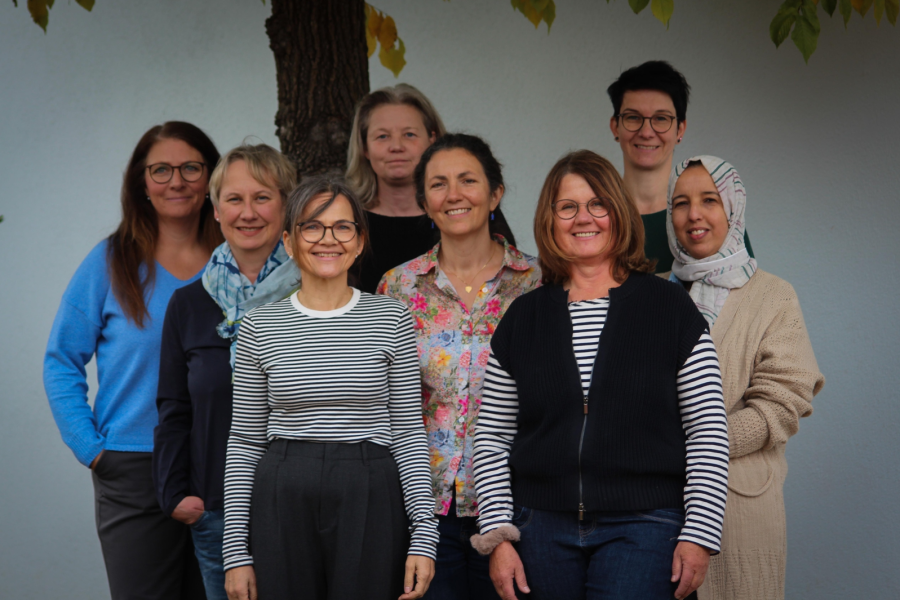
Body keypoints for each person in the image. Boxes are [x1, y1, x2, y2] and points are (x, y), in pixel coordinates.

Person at [471, 150, 731, 600]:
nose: (583, 218)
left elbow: (707, 428)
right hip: (540, 528)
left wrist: (700, 533)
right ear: (550, 221)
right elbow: (492, 436)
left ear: (619, 213)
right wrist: (498, 536)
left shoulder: (670, 308)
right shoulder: (523, 318)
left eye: (598, 204)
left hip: (647, 526)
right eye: (567, 207)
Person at [222, 175, 439, 600]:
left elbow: (409, 433)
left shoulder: (391, 318)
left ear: (359, 242)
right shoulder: (258, 326)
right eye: (312, 227)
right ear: (289, 241)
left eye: (343, 227)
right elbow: (245, 442)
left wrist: (423, 536)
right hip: (283, 487)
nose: (328, 239)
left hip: (369, 486)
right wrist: (235, 552)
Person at [43, 121, 221, 599]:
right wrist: (92, 449)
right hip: (133, 466)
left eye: (191, 167)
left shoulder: (233, 263)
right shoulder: (111, 261)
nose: (176, 181)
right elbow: (61, 360)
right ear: (141, 181)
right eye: (161, 169)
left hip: (221, 461)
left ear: (211, 177)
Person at [378, 133, 541, 600]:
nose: (454, 194)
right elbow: (384, 401)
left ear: (495, 193)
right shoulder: (397, 287)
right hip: (423, 510)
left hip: (518, 504)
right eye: (438, 184)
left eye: (468, 180)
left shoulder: (539, 282)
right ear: (424, 203)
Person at [665, 156, 824, 600]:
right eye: (681, 203)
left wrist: (694, 443)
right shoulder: (649, 292)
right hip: (653, 507)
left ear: (733, 208)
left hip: (738, 506)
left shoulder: (774, 296)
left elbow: (783, 402)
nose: (694, 214)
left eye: (709, 200)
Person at [153, 143, 299, 600]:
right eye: (234, 199)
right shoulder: (188, 305)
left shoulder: (320, 296)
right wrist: (176, 495)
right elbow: (174, 409)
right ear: (216, 210)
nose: (248, 212)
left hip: (304, 508)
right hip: (216, 510)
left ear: (286, 206)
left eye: (262, 197)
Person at [346, 83, 517, 292]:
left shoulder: (467, 211)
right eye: (382, 136)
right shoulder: (348, 219)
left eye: (409, 134)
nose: (396, 146)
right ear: (364, 147)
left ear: (432, 139)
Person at [606, 60, 754, 273]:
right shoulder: (592, 215)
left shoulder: (715, 217)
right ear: (615, 127)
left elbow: (745, 289)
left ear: (680, 129)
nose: (646, 132)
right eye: (633, 118)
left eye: (661, 118)